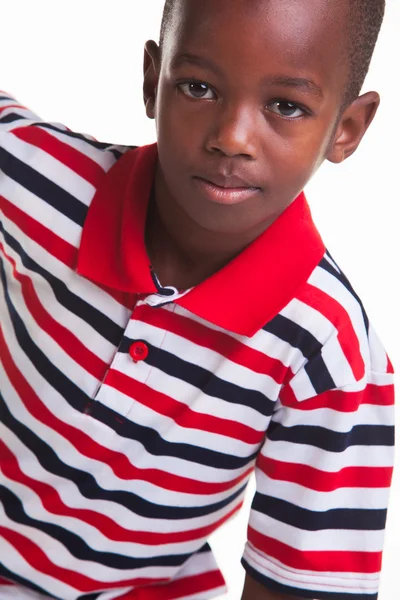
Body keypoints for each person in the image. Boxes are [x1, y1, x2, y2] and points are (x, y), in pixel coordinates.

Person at [0, 0, 395, 599]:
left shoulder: (328, 357)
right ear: (152, 81)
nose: (231, 139)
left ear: (346, 129)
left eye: (285, 105)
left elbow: (304, 585)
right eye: (199, 87)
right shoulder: (40, 183)